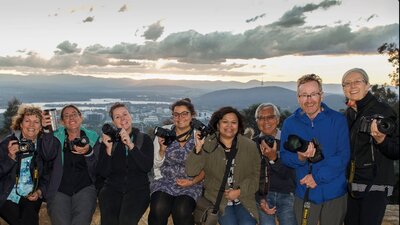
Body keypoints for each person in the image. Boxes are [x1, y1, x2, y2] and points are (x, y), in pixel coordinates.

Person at [280, 74, 350, 225]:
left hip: (334, 193)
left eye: (313, 94)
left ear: (321, 96)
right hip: (305, 192)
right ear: (298, 98)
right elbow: (284, 156)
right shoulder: (290, 123)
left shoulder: (337, 120)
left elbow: (342, 157)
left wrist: (317, 177)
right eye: (304, 95)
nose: (309, 100)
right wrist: (300, 158)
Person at [341, 68, 399, 225]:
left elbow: (396, 150)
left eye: (357, 81)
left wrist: (381, 140)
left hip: (376, 187)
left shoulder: (384, 112)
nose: (352, 86)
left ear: (367, 85)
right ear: (343, 88)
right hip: (352, 188)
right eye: (347, 83)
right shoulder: (348, 114)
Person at [186, 106, 260, 225]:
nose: (229, 126)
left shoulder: (249, 146)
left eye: (233, 122)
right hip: (218, 200)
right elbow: (191, 171)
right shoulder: (208, 144)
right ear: (217, 125)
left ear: (239, 125)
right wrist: (198, 148)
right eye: (225, 122)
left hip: (244, 198)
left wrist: (239, 191)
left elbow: (256, 176)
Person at [0, 105, 59, 225]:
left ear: (41, 126)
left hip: (31, 194)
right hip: (6, 193)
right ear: (20, 124)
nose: (31, 125)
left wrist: (39, 191)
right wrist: (10, 158)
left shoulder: (46, 143)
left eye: (36, 122)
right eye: (27, 121)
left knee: (29, 217)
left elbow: (49, 169)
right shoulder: (8, 143)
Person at [148, 98, 204, 225]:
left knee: (181, 209)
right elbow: (155, 165)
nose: (180, 117)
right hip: (166, 180)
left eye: (185, 113)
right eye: (176, 114)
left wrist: (192, 182)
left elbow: (206, 168)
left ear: (192, 115)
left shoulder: (200, 136)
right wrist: (162, 150)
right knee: (158, 207)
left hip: (192, 182)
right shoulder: (164, 132)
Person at [96, 102, 154, 225]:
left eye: (125, 114)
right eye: (117, 117)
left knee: (126, 221)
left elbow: (146, 167)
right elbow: (103, 172)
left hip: (138, 189)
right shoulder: (108, 141)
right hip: (112, 188)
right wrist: (108, 149)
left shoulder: (144, 139)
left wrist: (131, 146)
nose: (123, 119)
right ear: (113, 122)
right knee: (109, 221)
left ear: (130, 116)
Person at [44, 105, 99, 225]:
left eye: (74, 114)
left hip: (85, 187)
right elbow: (47, 155)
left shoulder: (93, 137)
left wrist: (88, 153)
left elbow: (98, 169)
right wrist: (47, 131)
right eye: (66, 116)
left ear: (81, 117)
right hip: (59, 188)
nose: (71, 118)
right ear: (62, 122)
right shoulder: (55, 137)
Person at [253, 103, 296, 225]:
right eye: (261, 118)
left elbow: (291, 175)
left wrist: (274, 159)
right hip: (263, 196)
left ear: (278, 119)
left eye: (270, 117)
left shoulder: (289, 142)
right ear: (256, 121)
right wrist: (260, 199)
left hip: (287, 194)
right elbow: (250, 177)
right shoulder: (252, 145)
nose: (265, 121)